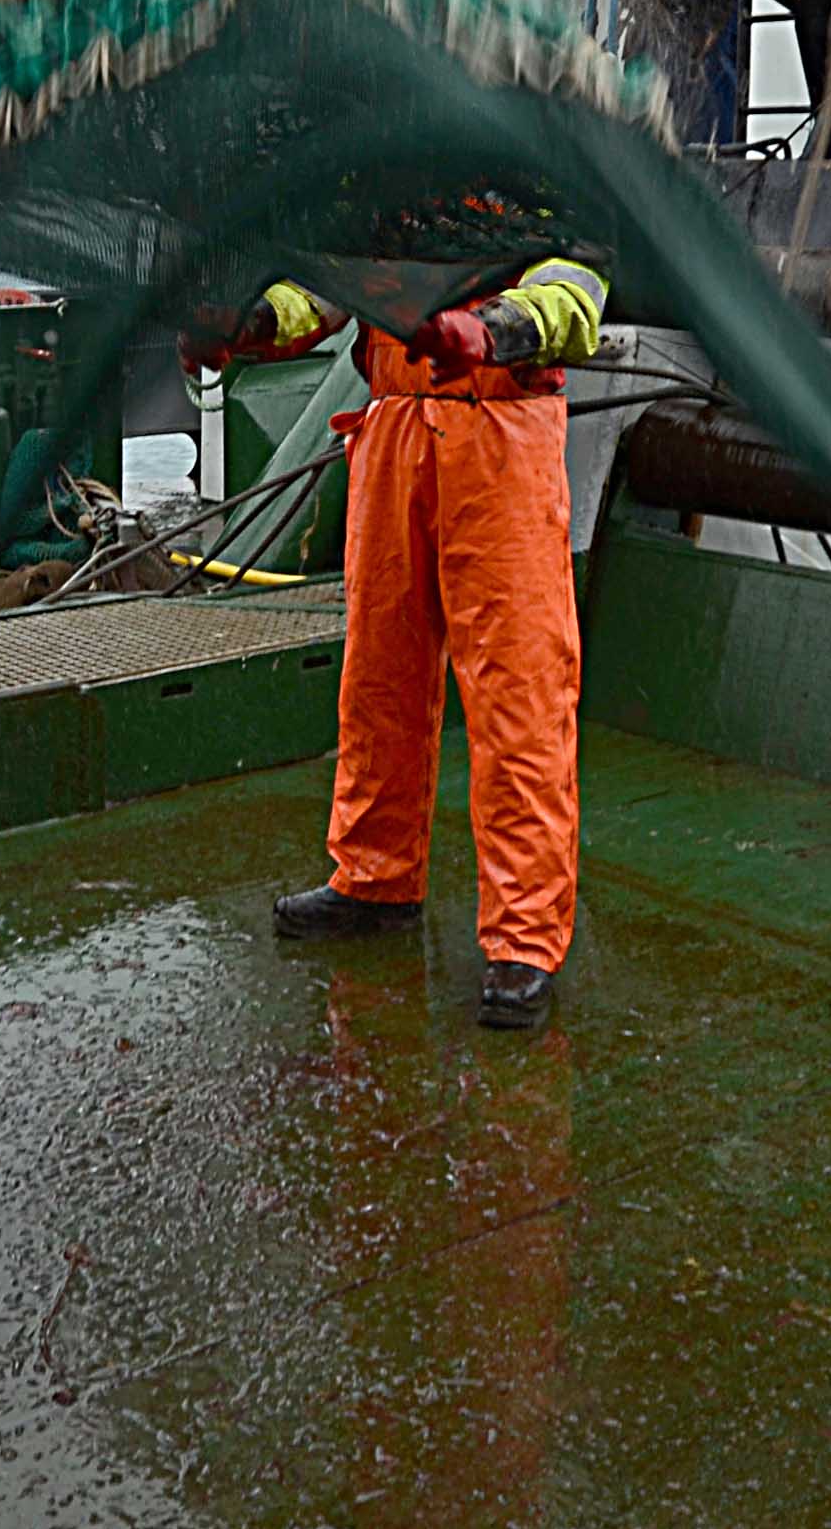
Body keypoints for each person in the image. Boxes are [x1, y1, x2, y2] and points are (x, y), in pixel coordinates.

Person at [209, 254, 610, 1030]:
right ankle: (373, 878)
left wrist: (488, 331)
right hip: (392, 426)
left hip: (501, 432)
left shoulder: (546, 178)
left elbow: (577, 298)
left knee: (518, 694)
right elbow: (326, 291)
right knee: (379, 675)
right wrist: (251, 322)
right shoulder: (388, 198)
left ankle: (524, 940)